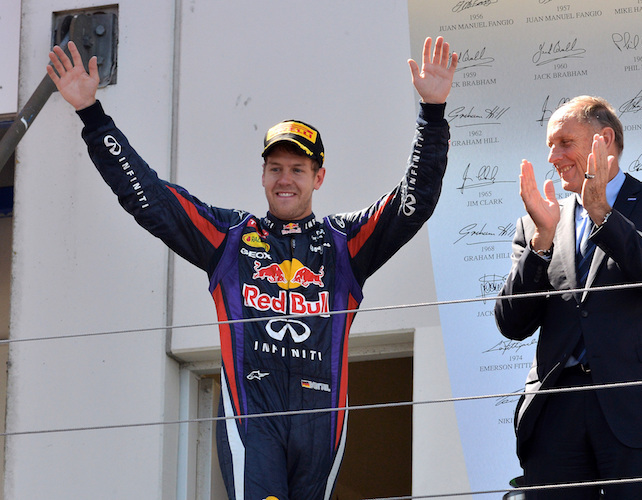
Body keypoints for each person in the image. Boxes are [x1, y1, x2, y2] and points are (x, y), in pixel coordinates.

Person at [47, 38, 457, 500]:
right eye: (276, 167)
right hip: (252, 421)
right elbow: (148, 197)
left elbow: (414, 202)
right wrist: (92, 116)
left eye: (298, 169)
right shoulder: (230, 237)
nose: (285, 179)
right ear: (262, 174)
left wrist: (433, 112)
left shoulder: (345, 244)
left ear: (318, 177)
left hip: (322, 425)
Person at [494, 96, 642, 499]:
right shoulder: (540, 220)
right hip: (555, 414)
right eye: (549, 147)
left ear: (604, 139)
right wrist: (540, 243)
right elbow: (512, 325)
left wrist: (604, 217)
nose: (553, 157)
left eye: (564, 143)